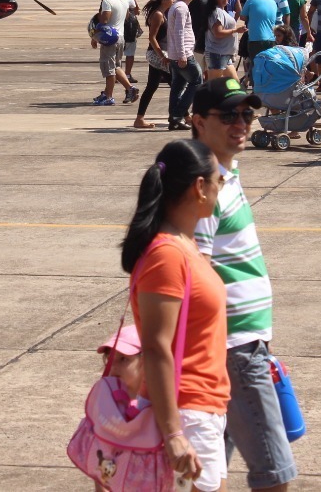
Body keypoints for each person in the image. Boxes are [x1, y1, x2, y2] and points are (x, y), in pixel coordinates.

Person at [191, 77, 297, 490]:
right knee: (275, 473)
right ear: (198, 122)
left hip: (246, 343)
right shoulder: (205, 187)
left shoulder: (226, 175)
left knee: (203, 475)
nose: (242, 123)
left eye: (247, 113)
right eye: (228, 115)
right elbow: (195, 269)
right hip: (233, 347)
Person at [121, 140, 229, 492]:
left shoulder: (186, 244)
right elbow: (155, 347)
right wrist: (174, 434)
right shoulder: (167, 256)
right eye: (219, 179)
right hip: (187, 414)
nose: (222, 185)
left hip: (203, 410)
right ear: (200, 187)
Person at [132, 0, 174, 131]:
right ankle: (181, 115)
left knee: (152, 86)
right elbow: (152, 38)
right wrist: (162, 55)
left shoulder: (162, 13)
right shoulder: (157, 15)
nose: (173, 0)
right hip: (158, 55)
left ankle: (139, 119)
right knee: (176, 85)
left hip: (158, 55)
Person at [92, 0, 137, 107]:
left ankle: (109, 97)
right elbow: (128, 15)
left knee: (109, 69)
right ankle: (129, 89)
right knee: (117, 66)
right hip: (121, 36)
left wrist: (95, 36)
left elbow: (104, 21)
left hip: (110, 39)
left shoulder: (107, 1)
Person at [165, 0, 202, 131]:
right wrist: (182, 55)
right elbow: (179, 32)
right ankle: (178, 114)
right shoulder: (181, 8)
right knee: (197, 80)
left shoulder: (176, 6)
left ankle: (174, 118)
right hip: (183, 54)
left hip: (176, 53)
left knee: (178, 86)